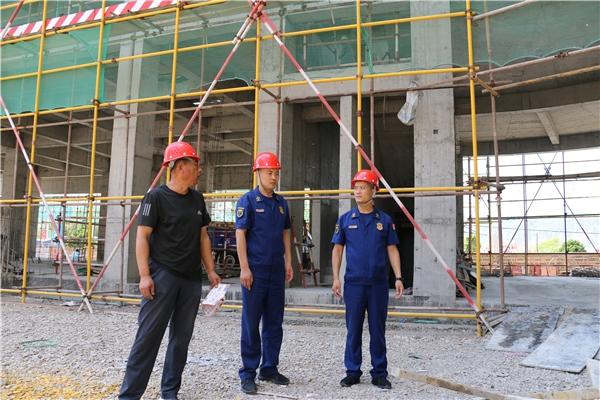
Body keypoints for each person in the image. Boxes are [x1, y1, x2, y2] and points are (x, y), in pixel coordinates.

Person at [119, 141, 221, 400]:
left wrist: (210, 270)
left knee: (181, 339)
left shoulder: (197, 199)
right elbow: (142, 237)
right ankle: (129, 395)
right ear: (179, 166)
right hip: (162, 276)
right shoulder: (155, 198)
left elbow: (203, 237)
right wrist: (145, 275)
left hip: (190, 280)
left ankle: (170, 391)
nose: (199, 170)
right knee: (148, 337)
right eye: (195, 164)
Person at [331, 169, 404, 390]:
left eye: (363, 187)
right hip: (354, 284)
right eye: (356, 187)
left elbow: (392, 250)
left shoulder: (384, 220)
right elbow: (337, 250)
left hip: (378, 284)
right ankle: (352, 372)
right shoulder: (345, 219)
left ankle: (379, 373)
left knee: (377, 330)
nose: (358, 191)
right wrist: (336, 278)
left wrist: (398, 277)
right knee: (353, 329)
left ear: (373, 191)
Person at [235, 151, 293, 395]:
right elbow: (240, 235)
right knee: (251, 322)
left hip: (276, 271)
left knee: (274, 322)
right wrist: (244, 268)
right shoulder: (247, 201)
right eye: (269, 173)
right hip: (255, 271)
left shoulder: (281, 204)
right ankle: (248, 372)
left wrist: (288, 262)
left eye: (276, 173)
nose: (273, 177)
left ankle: (269, 368)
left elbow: (286, 233)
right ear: (257, 173)